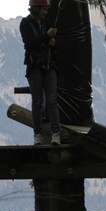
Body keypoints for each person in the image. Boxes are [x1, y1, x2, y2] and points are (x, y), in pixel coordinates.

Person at [20, 0, 60, 145]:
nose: (46, 12)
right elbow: (29, 44)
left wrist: (54, 43)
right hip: (35, 66)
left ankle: (56, 134)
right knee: (37, 101)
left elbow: (57, 44)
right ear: (36, 9)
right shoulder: (25, 23)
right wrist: (47, 37)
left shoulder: (47, 23)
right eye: (44, 10)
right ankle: (38, 134)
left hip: (49, 65)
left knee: (52, 100)